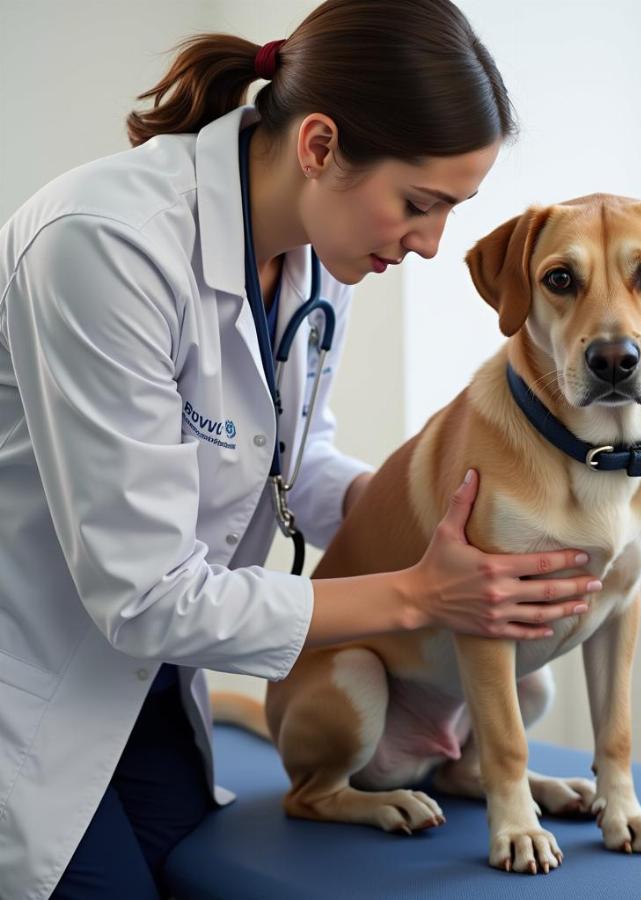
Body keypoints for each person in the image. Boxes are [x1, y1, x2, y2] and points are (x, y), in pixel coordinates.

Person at [0, 1, 599, 897]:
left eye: (453, 211)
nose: (431, 245)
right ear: (320, 145)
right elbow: (147, 595)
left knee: (204, 877)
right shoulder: (103, 244)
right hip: (37, 674)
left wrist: (420, 516)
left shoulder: (319, 255)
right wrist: (414, 593)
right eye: (419, 204)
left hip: (156, 683)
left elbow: (292, 460)